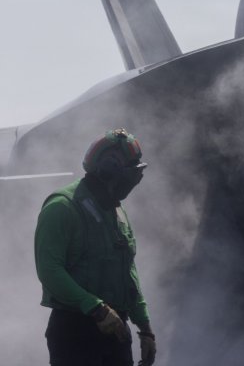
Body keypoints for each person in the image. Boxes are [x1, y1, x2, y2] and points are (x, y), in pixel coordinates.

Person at [35, 128, 157, 366]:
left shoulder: (116, 211)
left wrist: (145, 328)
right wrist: (96, 309)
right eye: (131, 173)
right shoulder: (62, 207)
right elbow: (49, 270)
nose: (135, 181)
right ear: (109, 169)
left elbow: (127, 272)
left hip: (115, 330)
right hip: (75, 333)